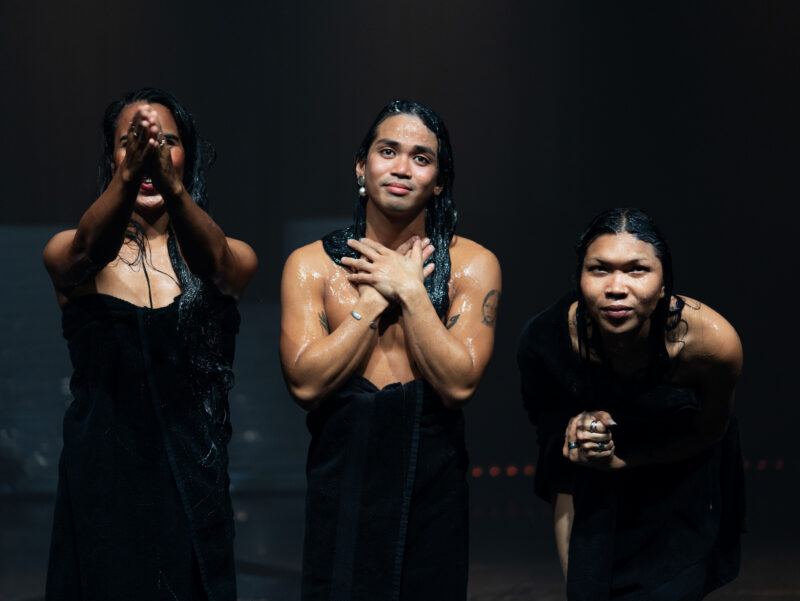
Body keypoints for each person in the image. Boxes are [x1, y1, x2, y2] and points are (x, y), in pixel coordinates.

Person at [280, 100, 501, 601]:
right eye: (388, 151)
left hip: (433, 479)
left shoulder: (472, 265)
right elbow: (306, 383)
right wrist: (376, 298)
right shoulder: (309, 266)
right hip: (343, 476)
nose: (402, 168)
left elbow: (460, 382)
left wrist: (412, 291)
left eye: (421, 158)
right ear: (362, 166)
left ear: (439, 181)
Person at [42, 87, 258, 600]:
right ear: (113, 156)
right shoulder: (68, 250)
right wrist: (131, 173)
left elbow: (220, 271)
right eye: (132, 142)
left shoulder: (232, 254)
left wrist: (172, 186)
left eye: (166, 142)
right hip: (102, 482)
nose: (149, 153)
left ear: (188, 156)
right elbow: (85, 253)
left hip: (195, 480)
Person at [517, 208, 744, 601]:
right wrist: (573, 428)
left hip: (683, 471)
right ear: (579, 278)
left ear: (663, 284)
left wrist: (632, 458)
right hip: (592, 482)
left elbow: (711, 430)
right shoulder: (544, 341)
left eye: (637, 270)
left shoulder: (711, 343)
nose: (616, 286)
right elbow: (548, 436)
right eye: (600, 269)